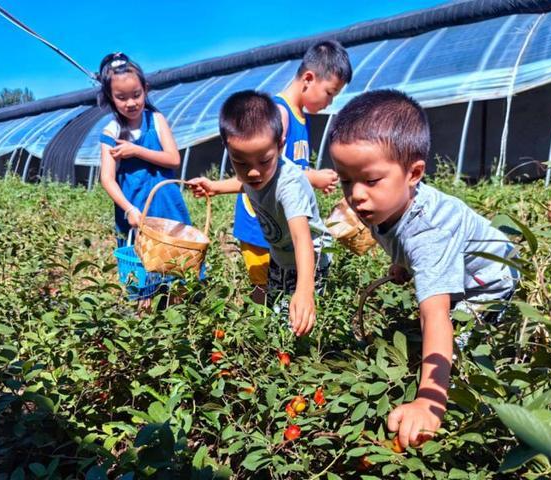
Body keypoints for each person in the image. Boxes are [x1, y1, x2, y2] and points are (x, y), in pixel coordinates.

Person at [328, 90, 518, 449]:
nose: (355, 195)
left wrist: (429, 402)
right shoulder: (378, 205)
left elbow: (436, 317)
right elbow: (398, 238)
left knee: (463, 352)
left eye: (369, 180)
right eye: (345, 180)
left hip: (490, 284)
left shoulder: (429, 233)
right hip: (457, 267)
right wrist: (402, 264)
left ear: (414, 173)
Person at [189, 91, 331, 336]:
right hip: (279, 253)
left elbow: (302, 239)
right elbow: (243, 183)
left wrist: (305, 290)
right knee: (278, 311)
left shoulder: (290, 185)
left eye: (264, 161)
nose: (254, 172)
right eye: (241, 163)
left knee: (301, 319)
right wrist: (215, 187)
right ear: (228, 149)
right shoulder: (255, 174)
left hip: (311, 258)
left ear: (280, 145)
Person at [233, 40, 351, 302]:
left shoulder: (300, 116)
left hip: (281, 225)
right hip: (261, 223)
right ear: (308, 78)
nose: (330, 102)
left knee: (281, 290)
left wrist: (312, 178)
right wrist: (315, 177)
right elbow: (273, 172)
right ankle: (263, 338)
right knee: (265, 292)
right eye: (330, 92)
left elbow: (293, 169)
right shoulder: (279, 114)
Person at [98, 52, 199, 304]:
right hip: (137, 211)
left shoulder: (156, 120)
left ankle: (179, 322)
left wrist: (136, 150)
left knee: (176, 268)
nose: (131, 103)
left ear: (145, 89)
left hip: (166, 207)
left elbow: (173, 159)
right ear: (111, 97)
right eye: (121, 97)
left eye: (136, 95)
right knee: (143, 277)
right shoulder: (111, 131)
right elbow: (107, 179)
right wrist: (129, 210)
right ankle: (146, 326)